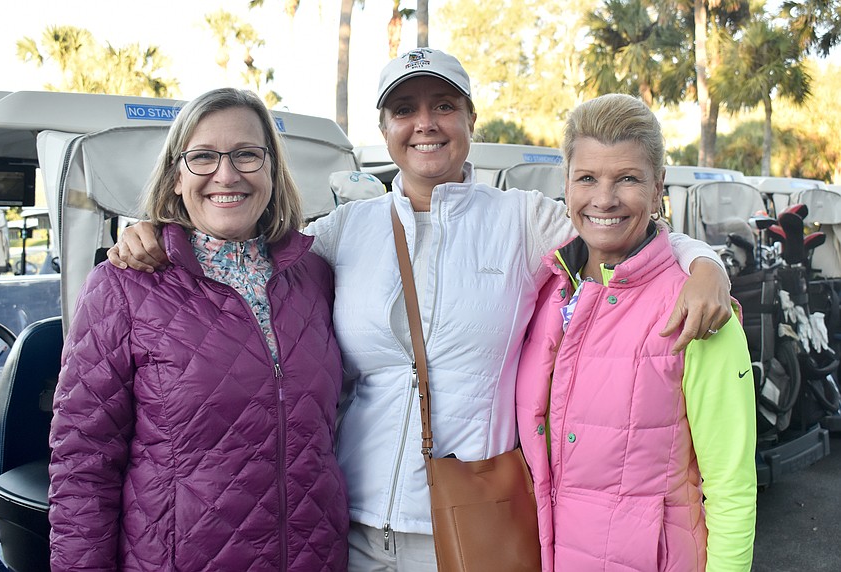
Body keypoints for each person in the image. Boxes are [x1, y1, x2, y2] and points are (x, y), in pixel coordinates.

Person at [109, 49, 733, 570]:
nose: (425, 123)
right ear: (384, 130)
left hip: (470, 524)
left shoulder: (521, 220)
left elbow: (613, 224)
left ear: (470, 121)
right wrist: (158, 233)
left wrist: (706, 263)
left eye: (444, 106)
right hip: (346, 527)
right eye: (405, 109)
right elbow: (241, 254)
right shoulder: (344, 231)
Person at [49, 88, 349, 571]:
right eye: (203, 156)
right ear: (175, 175)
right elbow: (83, 466)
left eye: (247, 154)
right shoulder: (124, 286)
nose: (226, 175)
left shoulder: (316, 276)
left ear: (272, 168)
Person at [516, 94, 756, 571]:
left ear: (657, 185)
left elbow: (731, 488)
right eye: (587, 178)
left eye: (627, 178)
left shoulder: (699, 309)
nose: (603, 199)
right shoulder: (548, 288)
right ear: (565, 183)